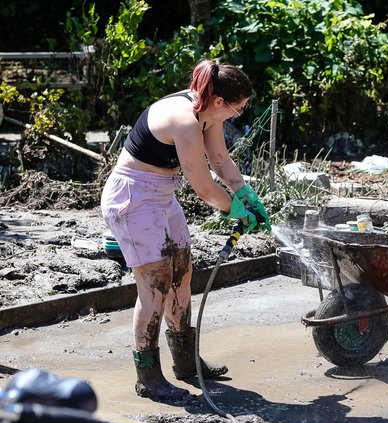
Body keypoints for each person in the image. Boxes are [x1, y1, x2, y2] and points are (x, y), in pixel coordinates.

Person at [100, 60, 271, 401]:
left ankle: (185, 362)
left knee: (183, 271)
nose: (238, 114)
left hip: (161, 195)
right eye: (238, 108)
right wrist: (234, 210)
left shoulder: (206, 109)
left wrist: (246, 195)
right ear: (220, 101)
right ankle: (148, 377)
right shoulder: (184, 119)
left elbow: (220, 161)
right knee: (156, 284)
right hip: (133, 198)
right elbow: (204, 188)